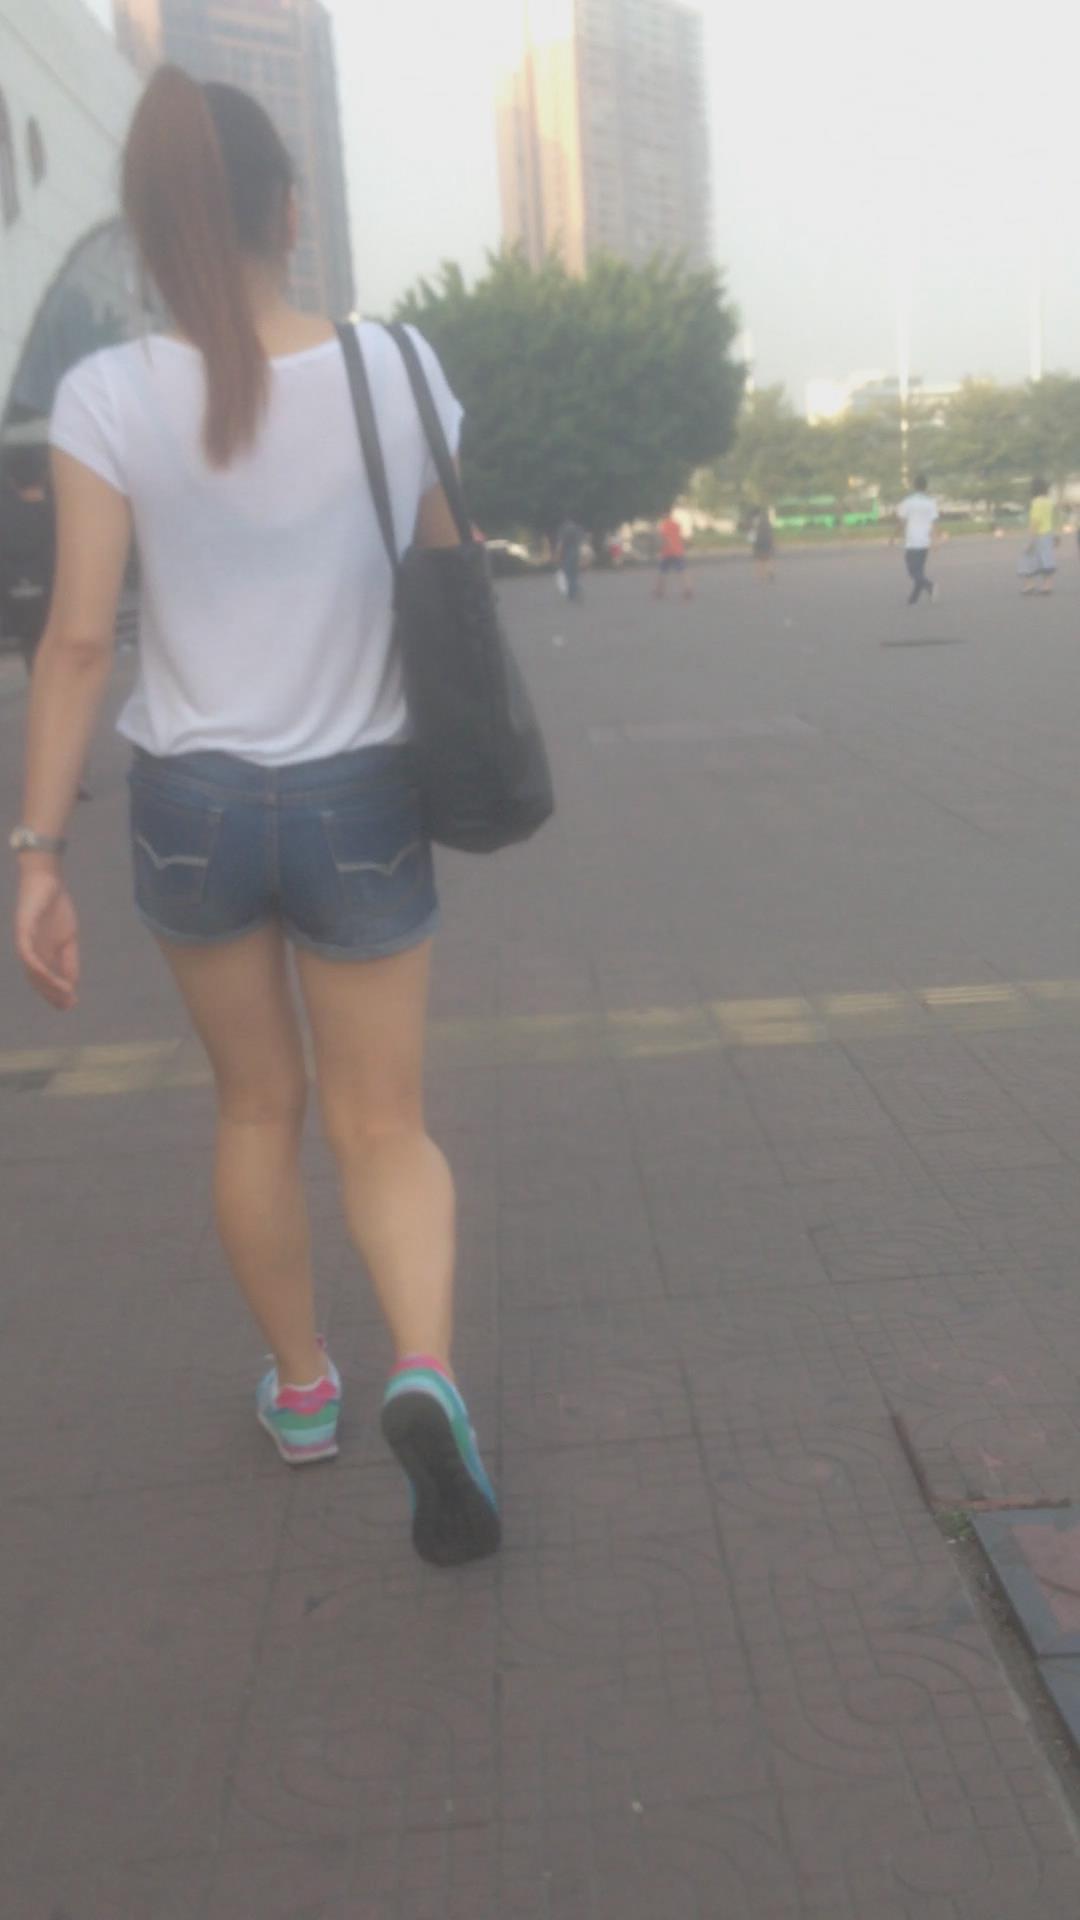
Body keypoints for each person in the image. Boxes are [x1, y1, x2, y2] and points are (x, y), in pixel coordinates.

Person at [12, 68, 500, 1569]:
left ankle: (302, 1391)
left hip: (192, 805)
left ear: (150, 231)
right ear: (291, 211)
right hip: (362, 791)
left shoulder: (106, 396)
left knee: (254, 1110)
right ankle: (425, 1368)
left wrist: (37, 854)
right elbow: (448, 561)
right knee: (383, 1123)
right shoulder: (398, 369)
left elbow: (77, 641)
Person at [896, 473, 939, 605]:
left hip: (912, 541)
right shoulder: (931, 502)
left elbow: (902, 521)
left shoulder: (908, 501)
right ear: (926, 486)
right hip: (925, 541)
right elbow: (934, 523)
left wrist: (894, 536)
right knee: (919, 570)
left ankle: (929, 585)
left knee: (912, 571)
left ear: (914, 486)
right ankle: (913, 599)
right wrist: (934, 540)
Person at [1019, 478, 1056, 596]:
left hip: (1038, 535)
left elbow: (1035, 521)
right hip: (1048, 534)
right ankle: (1047, 585)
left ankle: (1029, 584)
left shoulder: (1036, 503)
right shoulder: (1049, 501)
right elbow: (1051, 519)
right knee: (1046, 559)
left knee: (1027, 558)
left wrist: (1030, 540)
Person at [654, 509, 693, 600]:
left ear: (664, 514)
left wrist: (662, 547)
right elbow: (680, 536)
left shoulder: (664, 525)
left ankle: (659, 590)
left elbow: (665, 538)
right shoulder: (676, 524)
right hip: (678, 551)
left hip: (667, 552)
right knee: (682, 571)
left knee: (662, 571)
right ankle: (687, 588)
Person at [555, 516, 585, 602]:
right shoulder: (577, 528)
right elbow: (582, 542)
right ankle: (574, 591)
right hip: (576, 553)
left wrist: (558, 555)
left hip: (567, 554)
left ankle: (573, 592)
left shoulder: (564, 529)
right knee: (574, 574)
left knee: (568, 575)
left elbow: (560, 544)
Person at [751, 505, 775, 585]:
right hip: (767, 541)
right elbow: (770, 530)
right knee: (768, 557)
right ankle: (770, 570)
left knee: (759, 559)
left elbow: (753, 533)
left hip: (759, 542)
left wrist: (754, 542)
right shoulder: (765, 519)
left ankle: (761, 575)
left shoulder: (755, 521)